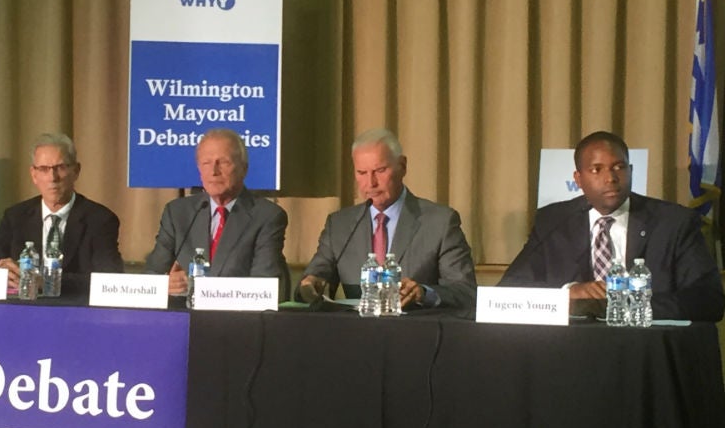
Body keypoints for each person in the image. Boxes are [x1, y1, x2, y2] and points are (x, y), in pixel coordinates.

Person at [500, 131, 724, 321]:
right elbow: (507, 291)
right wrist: (568, 293)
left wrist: (625, 304)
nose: (610, 178)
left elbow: (708, 300)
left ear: (631, 170)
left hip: (645, 348)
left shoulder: (674, 222)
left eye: (618, 167)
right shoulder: (553, 220)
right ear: (578, 179)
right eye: (597, 170)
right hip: (570, 349)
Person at [298, 128, 477, 310]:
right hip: (354, 331)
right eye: (361, 173)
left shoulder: (440, 222)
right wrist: (310, 284)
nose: (371, 183)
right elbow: (310, 282)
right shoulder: (339, 225)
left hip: (418, 331)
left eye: (380, 170)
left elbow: (465, 292)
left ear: (402, 166)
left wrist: (424, 293)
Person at [145, 128, 288, 296]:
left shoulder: (266, 216)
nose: (214, 171)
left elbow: (264, 285)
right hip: (184, 316)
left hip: (238, 319)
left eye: (224, 162)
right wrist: (165, 285)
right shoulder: (177, 213)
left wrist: (199, 288)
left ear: (244, 168)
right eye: (206, 163)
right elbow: (152, 275)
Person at [0, 133, 124, 293]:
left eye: (60, 168)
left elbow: (109, 279)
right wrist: (3, 272)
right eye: (43, 169)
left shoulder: (100, 219)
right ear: (34, 175)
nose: (52, 177)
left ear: (76, 171)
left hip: (75, 310)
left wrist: (47, 282)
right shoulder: (15, 216)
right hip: (23, 307)